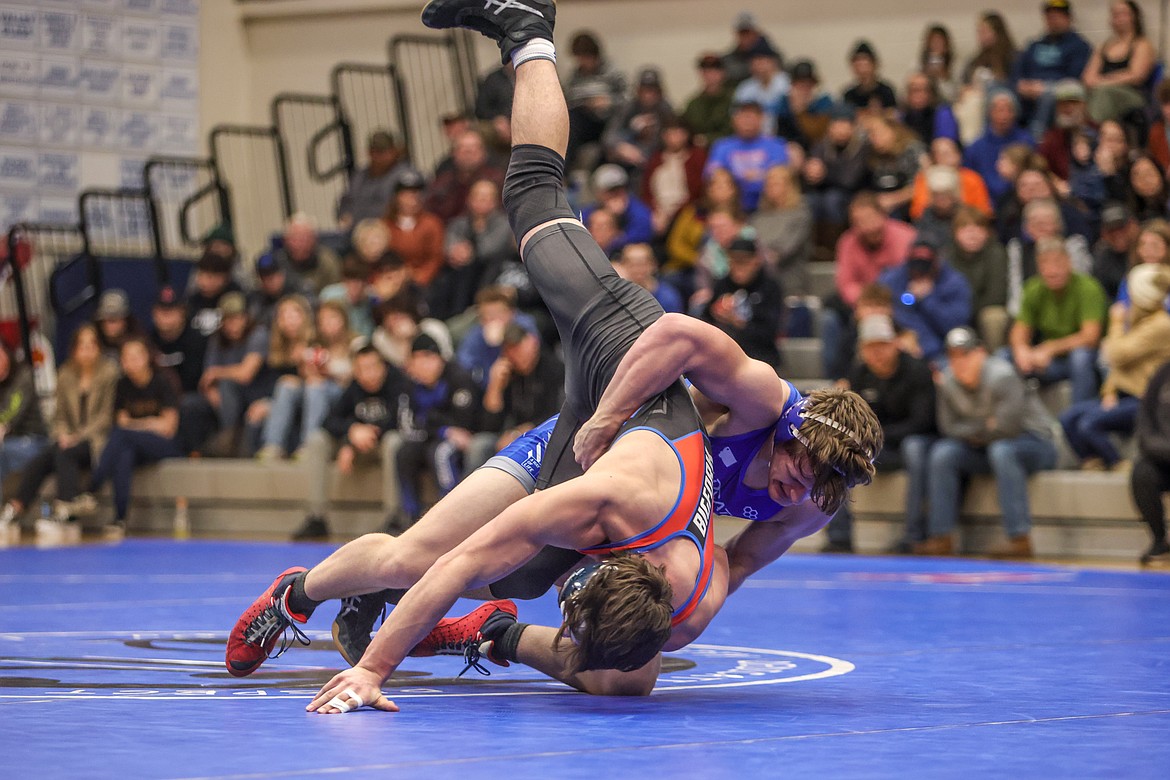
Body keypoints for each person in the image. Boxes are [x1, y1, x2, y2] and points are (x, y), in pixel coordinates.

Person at [229, 1, 880, 713]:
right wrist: (604, 420)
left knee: (625, 672)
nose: (796, 488)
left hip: (631, 480)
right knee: (532, 198)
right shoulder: (757, 403)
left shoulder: (721, 574)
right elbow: (681, 338)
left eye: (815, 487)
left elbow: (737, 561)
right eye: (797, 467)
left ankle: (490, 634)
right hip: (623, 357)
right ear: (792, 430)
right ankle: (527, 30)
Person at [916, 327, 1058, 559]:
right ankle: (941, 536)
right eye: (953, 356)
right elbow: (948, 428)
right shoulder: (947, 381)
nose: (960, 362)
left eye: (966, 354)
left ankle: (1020, 539)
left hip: (1036, 442)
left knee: (1002, 450)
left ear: (980, 352)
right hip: (986, 446)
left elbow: (1007, 428)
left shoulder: (1002, 375)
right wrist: (986, 426)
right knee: (944, 453)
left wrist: (976, 431)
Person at [823, 314, 936, 553]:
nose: (876, 353)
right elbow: (851, 417)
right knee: (835, 447)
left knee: (915, 448)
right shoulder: (859, 373)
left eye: (882, 345)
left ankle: (915, 534)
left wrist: (874, 437)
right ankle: (839, 534)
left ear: (895, 344)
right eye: (869, 347)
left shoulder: (917, 371)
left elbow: (922, 422)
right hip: (875, 443)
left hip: (910, 440)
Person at [0, 325, 118, 540]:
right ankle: (17, 507)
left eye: (92, 345)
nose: (87, 350)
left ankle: (66, 511)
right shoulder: (66, 374)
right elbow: (59, 416)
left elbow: (105, 418)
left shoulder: (109, 373)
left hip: (96, 441)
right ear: (74, 349)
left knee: (64, 452)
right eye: (82, 345)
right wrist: (64, 435)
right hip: (67, 439)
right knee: (43, 459)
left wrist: (77, 437)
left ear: (99, 348)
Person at [1060, 264, 1170, 470]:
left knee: (1088, 424)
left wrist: (1116, 322)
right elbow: (1119, 366)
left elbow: (1117, 355)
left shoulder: (1162, 325)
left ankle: (1118, 464)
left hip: (1143, 400)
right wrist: (1109, 391)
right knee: (1068, 419)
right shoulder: (1137, 322)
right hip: (1122, 396)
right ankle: (1093, 463)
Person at [70, 337, 182, 539]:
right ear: (122, 362)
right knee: (124, 454)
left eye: (137, 356)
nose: (133, 362)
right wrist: (149, 423)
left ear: (147, 357)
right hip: (136, 445)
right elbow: (121, 421)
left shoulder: (161, 382)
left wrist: (137, 425)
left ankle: (92, 487)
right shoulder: (123, 386)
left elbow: (168, 427)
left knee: (122, 436)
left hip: (164, 445)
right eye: (127, 358)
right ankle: (119, 519)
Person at [395, 333, 484, 526]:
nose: (423, 366)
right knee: (404, 452)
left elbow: (463, 424)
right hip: (433, 436)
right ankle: (410, 516)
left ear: (439, 359)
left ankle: (452, 516)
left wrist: (434, 424)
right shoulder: (410, 385)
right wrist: (442, 429)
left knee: (441, 453)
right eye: (417, 360)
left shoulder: (458, 378)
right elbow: (407, 425)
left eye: (428, 359)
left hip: (461, 440)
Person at [1007, 236, 1108, 404]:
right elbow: (1019, 330)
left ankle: (1078, 417)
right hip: (1047, 361)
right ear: (1038, 267)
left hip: (1083, 359)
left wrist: (1050, 348)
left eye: (1058, 263)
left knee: (1080, 356)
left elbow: (1090, 337)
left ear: (1069, 262)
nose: (1052, 270)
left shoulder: (1088, 288)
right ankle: (1015, 422)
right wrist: (1021, 350)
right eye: (1045, 264)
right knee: (1004, 356)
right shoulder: (1033, 288)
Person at [257, 300, 355, 461]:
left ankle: (309, 447)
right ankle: (272, 446)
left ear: (344, 319)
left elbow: (358, 375)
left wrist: (328, 371)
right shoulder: (316, 345)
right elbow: (309, 375)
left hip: (343, 392)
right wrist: (306, 368)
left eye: (333, 318)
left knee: (315, 386)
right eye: (323, 320)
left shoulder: (355, 343)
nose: (328, 324)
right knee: (287, 384)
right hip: (315, 388)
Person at [880, 239, 973, 367]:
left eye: (924, 268)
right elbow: (880, 309)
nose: (919, 273)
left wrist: (928, 299)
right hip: (900, 351)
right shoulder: (892, 280)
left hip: (941, 354)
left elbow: (955, 325)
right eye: (915, 267)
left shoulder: (954, 283)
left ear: (936, 264)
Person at [1013, 0, 1093, 140]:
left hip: (1057, 88)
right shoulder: (1034, 44)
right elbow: (1017, 69)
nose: (1053, 20)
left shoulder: (1079, 45)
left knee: (1049, 92)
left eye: (1057, 16)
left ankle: (1037, 137)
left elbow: (1075, 76)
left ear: (1068, 18)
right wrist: (1022, 84)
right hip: (1030, 89)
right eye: (1049, 17)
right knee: (1000, 93)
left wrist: (1043, 86)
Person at [701, 234, 783, 366]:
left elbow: (770, 332)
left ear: (756, 262)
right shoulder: (723, 284)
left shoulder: (769, 287)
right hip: (722, 353)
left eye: (744, 262)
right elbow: (705, 319)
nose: (739, 268)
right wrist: (715, 311)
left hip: (760, 356)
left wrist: (737, 321)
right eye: (734, 262)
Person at [704, 99, 789, 213]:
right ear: (734, 120)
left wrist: (758, 177)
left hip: (767, 203)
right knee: (720, 180)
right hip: (732, 205)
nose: (748, 122)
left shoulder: (776, 145)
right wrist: (741, 178)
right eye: (744, 117)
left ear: (761, 119)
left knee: (777, 178)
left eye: (752, 117)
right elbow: (711, 173)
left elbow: (781, 174)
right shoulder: (722, 146)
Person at [0, 339, 49, 529]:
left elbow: (12, 415)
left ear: (8, 354)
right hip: (10, 442)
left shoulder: (23, 375)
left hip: (34, 440)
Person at [947, 206, 1011, 350]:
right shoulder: (945, 258)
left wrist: (967, 310)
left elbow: (996, 296)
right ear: (955, 233)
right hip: (955, 314)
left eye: (978, 228)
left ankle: (995, 360)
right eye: (965, 228)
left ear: (987, 232)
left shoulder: (997, 253)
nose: (972, 234)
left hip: (983, 314)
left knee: (994, 316)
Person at [1082, 0, 1155, 125]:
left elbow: (1136, 76)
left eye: (1123, 14)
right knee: (1071, 92)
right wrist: (1098, 83)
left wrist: (1104, 82)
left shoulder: (1142, 44)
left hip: (1132, 95)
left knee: (1104, 93)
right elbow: (1088, 77)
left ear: (1134, 17)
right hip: (1100, 91)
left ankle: (1092, 131)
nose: (1119, 18)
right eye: (1115, 14)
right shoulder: (1103, 46)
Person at [1130, 359, 1170, 565]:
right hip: (1165, 456)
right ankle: (1159, 541)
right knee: (1142, 472)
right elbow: (1144, 424)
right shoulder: (1163, 373)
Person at [962, 90, 1034, 203]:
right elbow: (968, 179)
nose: (1004, 115)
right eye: (999, 110)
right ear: (990, 113)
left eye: (1009, 110)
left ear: (1015, 113)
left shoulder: (1026, 142)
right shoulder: (976, 147)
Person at [751, 165, 812, 299]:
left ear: (790, 186)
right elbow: (750, 244)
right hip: (759, 283)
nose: (771, 188)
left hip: (790, 281)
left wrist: (759, 257)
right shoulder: (758, 218)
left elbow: (786, 249)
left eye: (776, 184)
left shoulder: (800, 215)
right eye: (768, 184)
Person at [424, 129, 506, 224]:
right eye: (463, 149)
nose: (468, 153)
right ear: (453, 153)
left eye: (474, 148)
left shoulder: (499, 180)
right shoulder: (442, 184)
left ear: (483, 152)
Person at [337, 130, 410, 230]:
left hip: (389, 231)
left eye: (383, 152)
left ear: (394, 151)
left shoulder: (405, 176)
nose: (378, 156)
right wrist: (344, 216)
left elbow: (400, 208)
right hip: (357, 232)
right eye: (374, 151)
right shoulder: (359, 175)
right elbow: (346, 201)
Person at [274, 214, 342, 298]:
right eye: (295, 238)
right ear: (286, 240)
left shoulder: (328, 260)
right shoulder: (276, 263)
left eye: (305, 238)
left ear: (314, 239)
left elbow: (335, 293)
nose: (301, 243)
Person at [612, 243, 684, 314]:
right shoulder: (617, 296)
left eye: (642, 264)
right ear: (623, 265)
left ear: (653, 265)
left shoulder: (667, 296)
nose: (637, 269)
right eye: (632, 264)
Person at [681, 53, 735, 145]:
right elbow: (685, 129)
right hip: (699, 152)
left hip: (728, 150)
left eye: (715, 71)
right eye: (706, 71)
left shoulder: (733, 99)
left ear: (723, 73)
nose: (710, 75)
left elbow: (736, 131)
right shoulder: (694, 103)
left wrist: (708, 139)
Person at [841, 40, 896, 117]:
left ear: (874, 65)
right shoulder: (849, 95)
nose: (862, 69)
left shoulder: (886, 92)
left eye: (865, 64)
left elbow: (892, 117)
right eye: (858, 64)